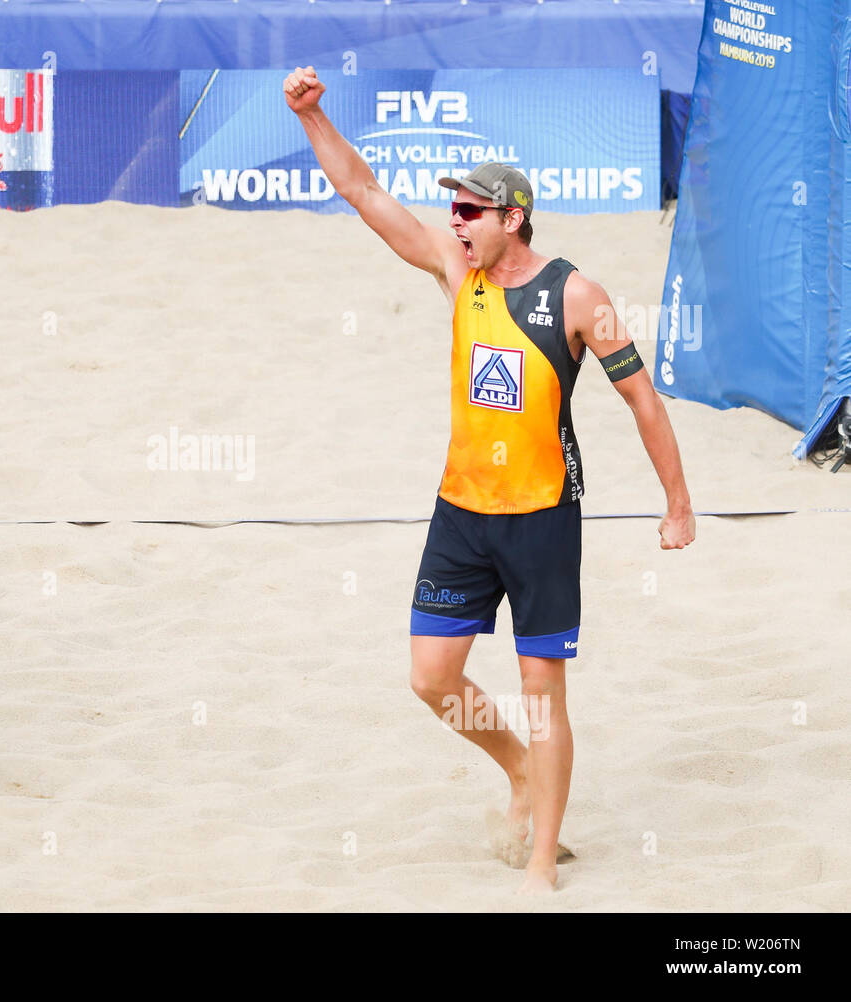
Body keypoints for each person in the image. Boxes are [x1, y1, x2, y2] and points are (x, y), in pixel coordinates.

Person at [284, 67, 695, 892]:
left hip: (542, 516)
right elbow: (365, 193)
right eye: (454, 209)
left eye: (470, 210)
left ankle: (542, 856)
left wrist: (677, 503)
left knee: (543, 691)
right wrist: (312, 117)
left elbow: (642, 401)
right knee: (431, 677)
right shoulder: (455, 273)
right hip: (461, 512)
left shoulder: (577, 295)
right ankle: (516, 770)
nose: (455, 221)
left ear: (513, 219)